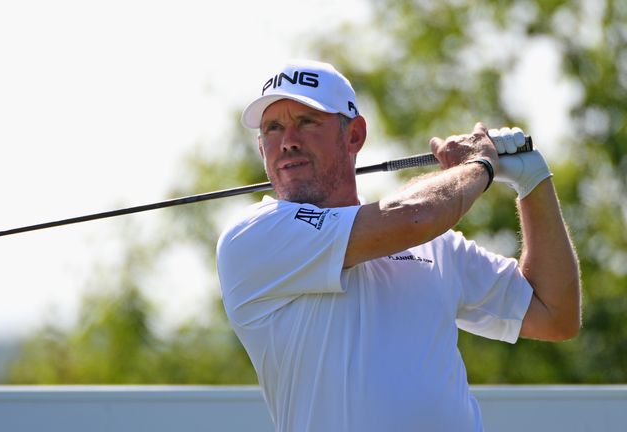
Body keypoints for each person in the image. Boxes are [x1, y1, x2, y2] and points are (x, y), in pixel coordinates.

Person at [215, 60, 581, 432]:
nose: (288, 141)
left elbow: (555, 314)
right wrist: (477, 167)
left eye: (307, 122)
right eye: (272, 128)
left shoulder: (435, 246)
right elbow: (414, 216)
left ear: (354, 135)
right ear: (262, 149)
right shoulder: (253, 236)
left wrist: (533, 182)